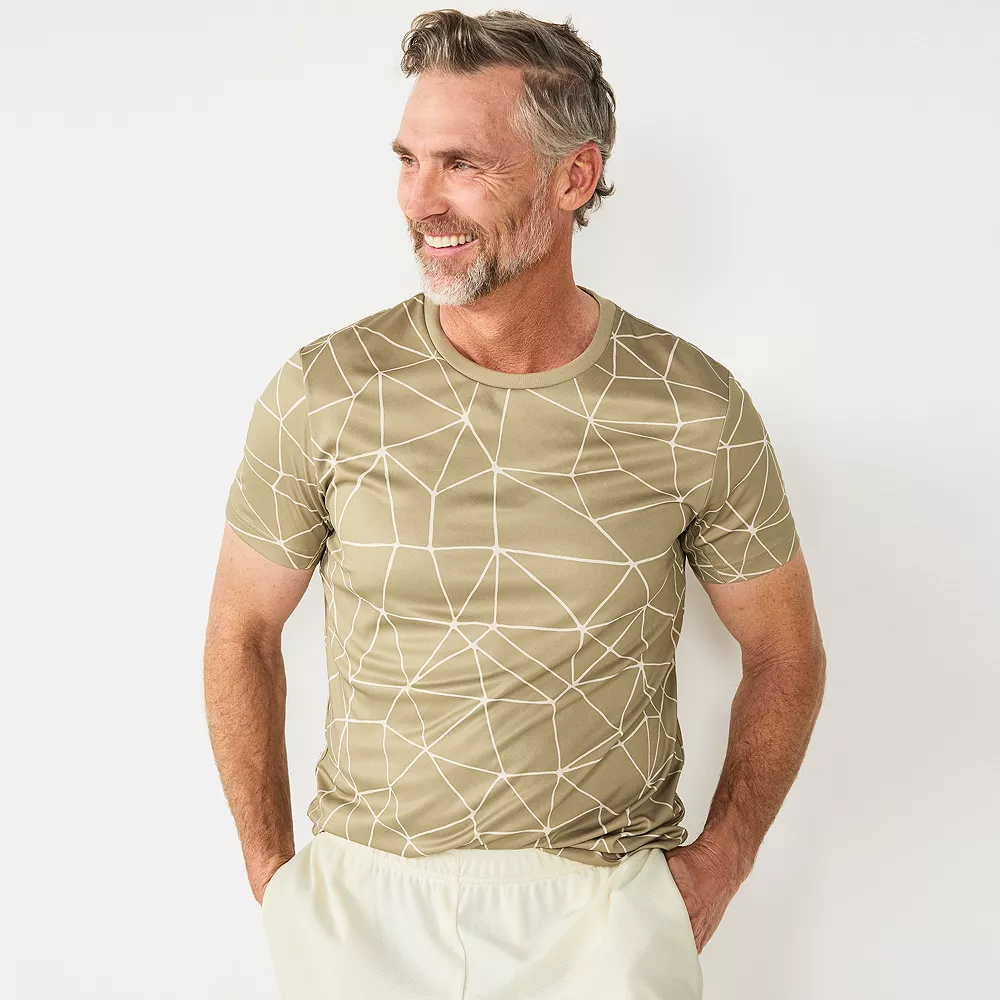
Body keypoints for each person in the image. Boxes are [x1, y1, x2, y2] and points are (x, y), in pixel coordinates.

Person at [204, 10, 826, 1000]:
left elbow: (786, 650)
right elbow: (241, 628)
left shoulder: (692, 408)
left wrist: (718, 865)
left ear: (573, 177)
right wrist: (274, 875)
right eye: (408, 160)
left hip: (602, 917)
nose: (421, 201)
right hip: (364, 907)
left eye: (462, 164)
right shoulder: (325, 390)